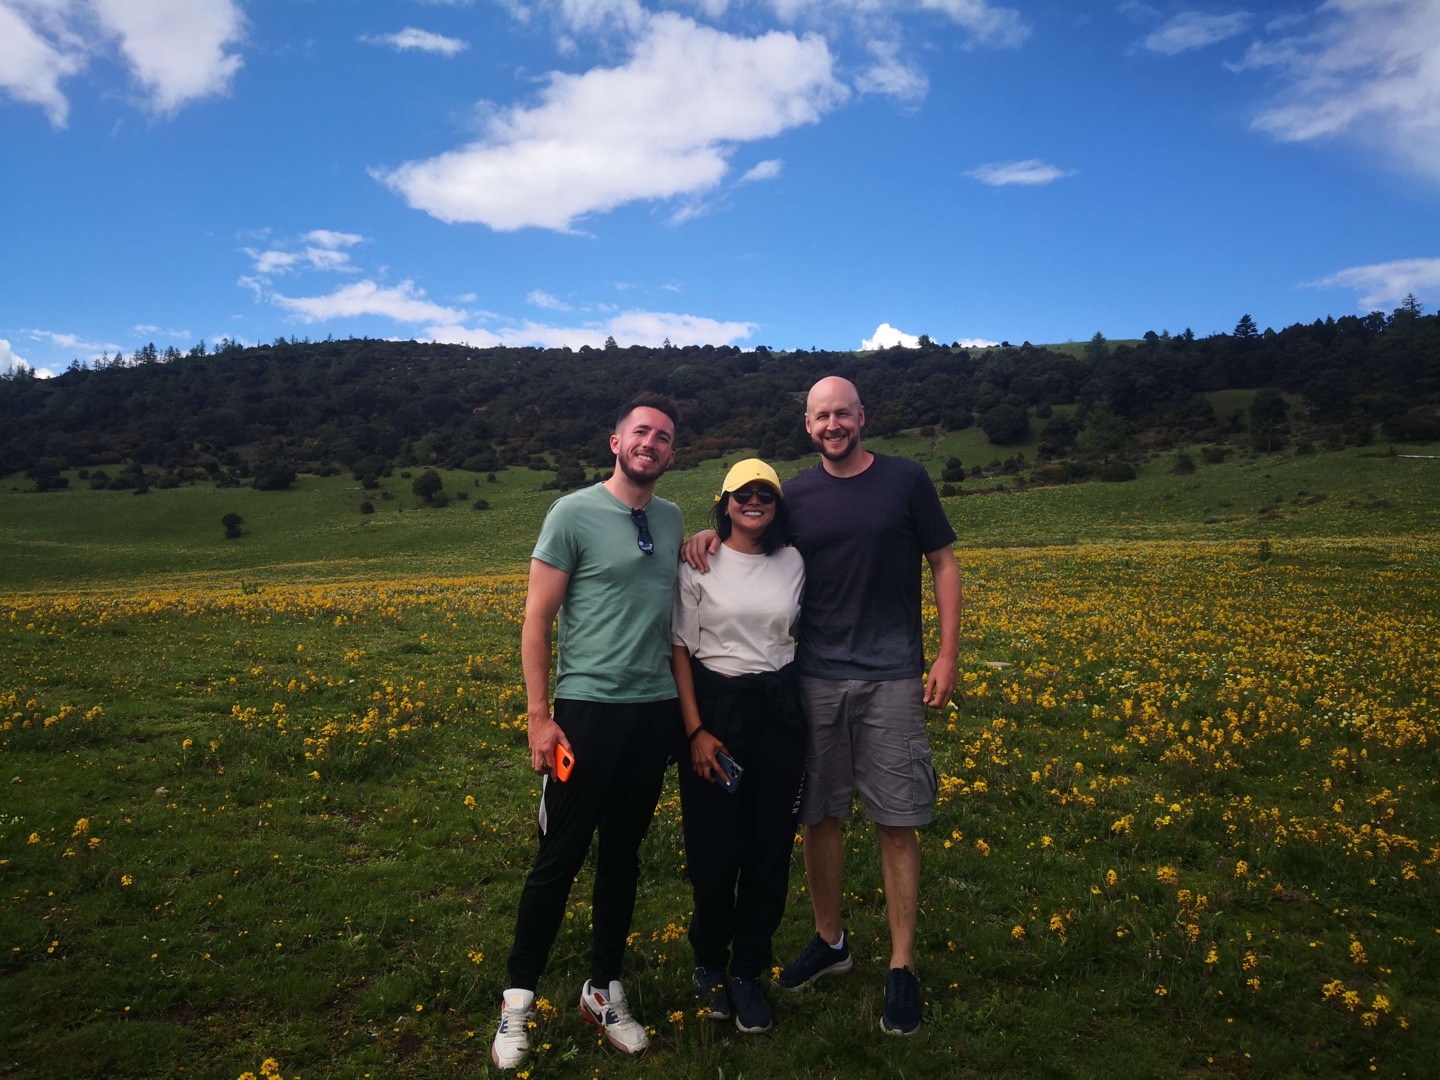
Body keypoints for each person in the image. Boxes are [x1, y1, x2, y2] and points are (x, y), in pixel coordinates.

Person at [684, 375, 961, 1037]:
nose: (833, 424)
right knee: (819, 816)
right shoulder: (796, 496)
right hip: (812, 679)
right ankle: (830, 941)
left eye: (843, 413)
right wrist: (705, 534)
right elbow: (747, 539)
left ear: (862, 416)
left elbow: (944, 564)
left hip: (892, 675)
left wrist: (948, 654)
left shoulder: (906, 481)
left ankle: (900, 966)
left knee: (896, 820)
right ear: (807, 427)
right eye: (821, 417)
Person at [491, 392, 684, 1071]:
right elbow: (537, 620)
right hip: (586, 712)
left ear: (670, 451)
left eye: (662, 437)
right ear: (615, 441)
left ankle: (604, 989)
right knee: (558, 860)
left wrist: (708, 539)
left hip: (653, 712)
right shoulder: (571, 513)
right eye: (641, 432)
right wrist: (539, 716)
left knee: (623, 858)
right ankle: (518, 1002)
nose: (650, 444)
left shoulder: (672, 517)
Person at [671, 459, 806, 1036]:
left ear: (776, 504)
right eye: (742, 494)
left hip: (776, 710)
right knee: (713, 851)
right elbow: (680, 649)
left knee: (769, 849)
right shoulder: (697, 560)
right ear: (723, 501)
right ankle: (708, 961)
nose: (754, 502)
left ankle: (748, 969)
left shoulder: (794, 560)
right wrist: (696, 732)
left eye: (765, 494)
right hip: (714, 710)